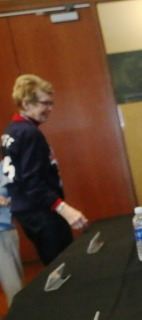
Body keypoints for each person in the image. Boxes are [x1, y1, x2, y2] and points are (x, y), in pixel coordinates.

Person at [1, 74, 87, 265]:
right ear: (26, 103)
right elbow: (34, 182)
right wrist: (63, 208)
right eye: (45, 103)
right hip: (41, 211)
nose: (50, 109)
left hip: (25, 210)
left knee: (53, 264)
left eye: (51, 103)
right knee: (64, 267)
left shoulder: (11, 131)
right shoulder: (29, 133)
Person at [0, 172, 22, 308]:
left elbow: (19, 195)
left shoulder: (4, 167)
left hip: (9, 228)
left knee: (17, 277)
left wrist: (7, 201)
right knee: (13, 285)